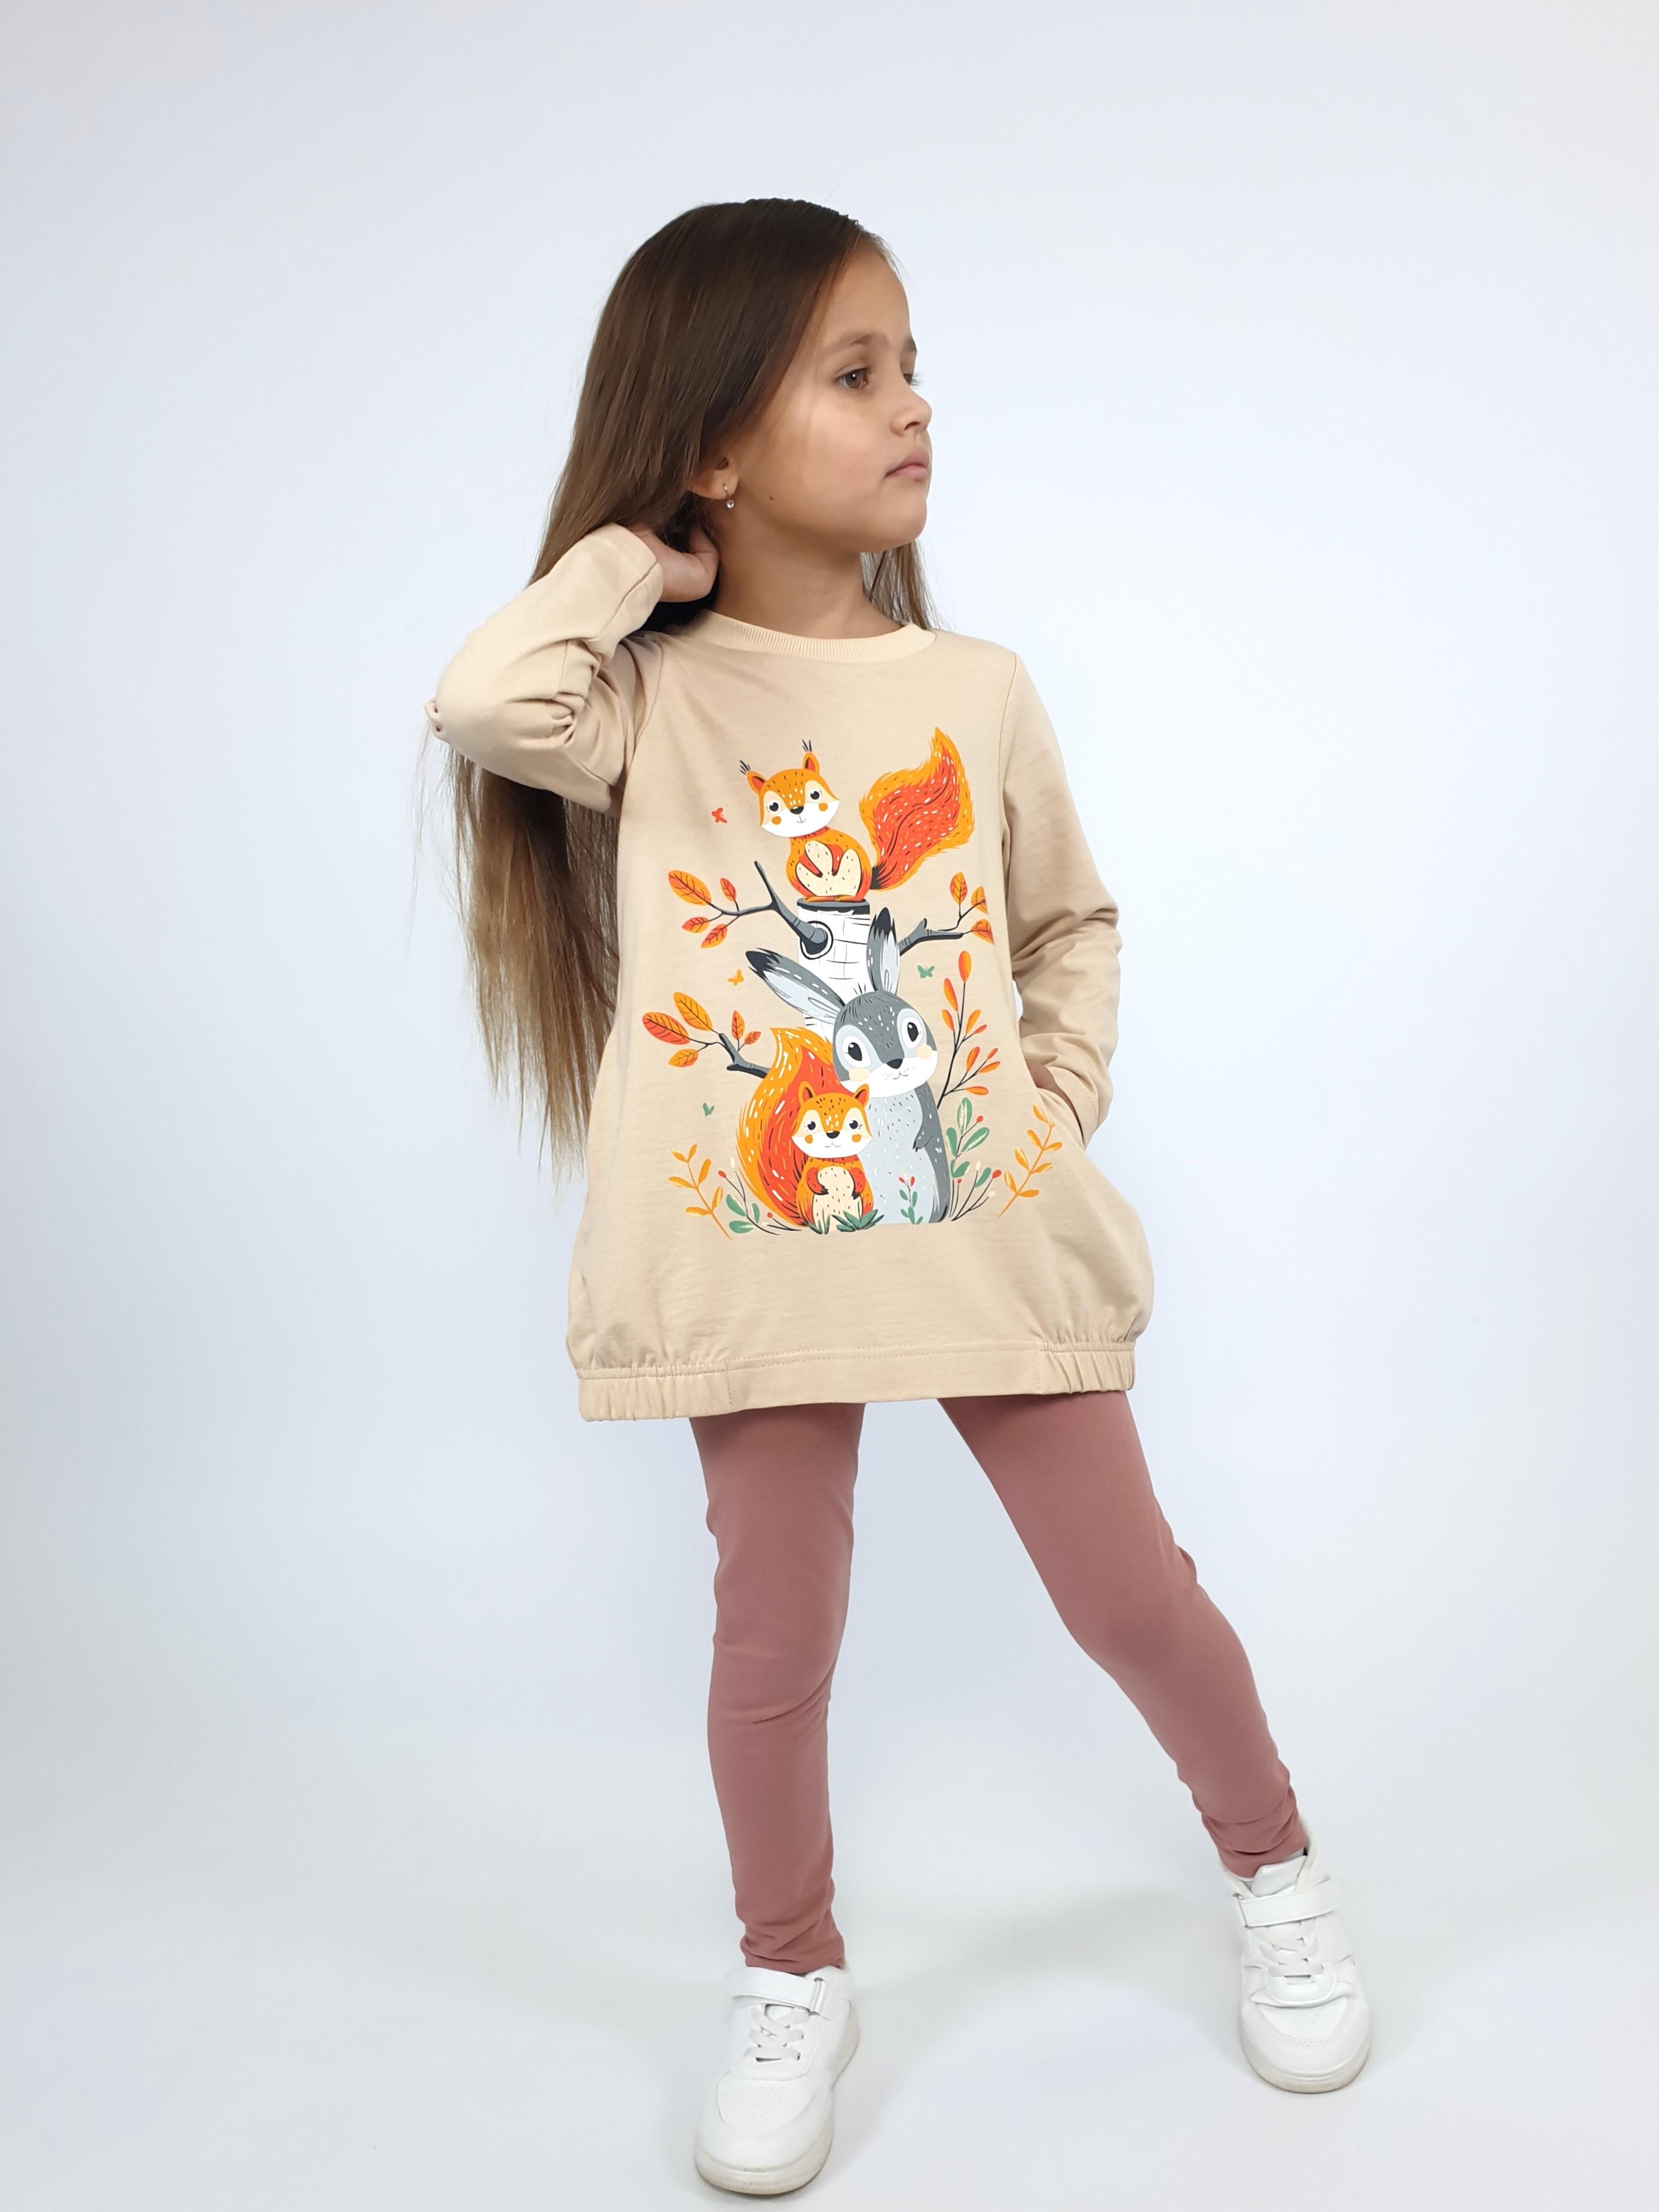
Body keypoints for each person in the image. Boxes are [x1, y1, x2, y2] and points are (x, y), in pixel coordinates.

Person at [423, 196, 1372, 2196]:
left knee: (1132, 1596)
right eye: (855, 374)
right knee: (772, 1642)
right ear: (712, 440)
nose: (915, 405)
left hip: (981, 1225)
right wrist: (639, 556)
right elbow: (488, 698)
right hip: (762, 1259)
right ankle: (793, 1973)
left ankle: (1276, 1869)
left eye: (913, 365)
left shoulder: (978, 686)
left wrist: (1051, 1104)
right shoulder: (649, 698)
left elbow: (1069, 922)